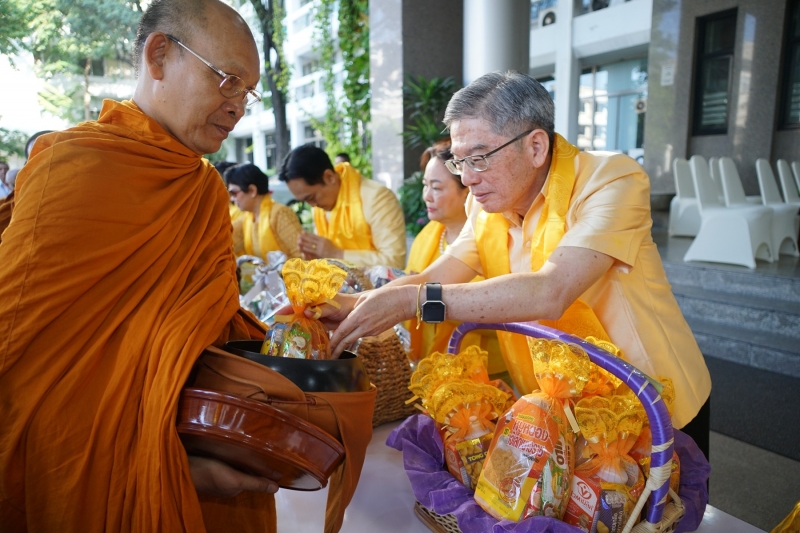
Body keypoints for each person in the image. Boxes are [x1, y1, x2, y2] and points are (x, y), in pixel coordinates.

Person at [0, 1, 295, 530]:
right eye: (228, 80)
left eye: (247, 93)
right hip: (75, 465)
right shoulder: (71, 169)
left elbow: (203, 333)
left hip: (194, 439)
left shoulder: (204, 190)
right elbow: (21, 364)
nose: (237, 108)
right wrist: (163, 460)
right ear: (159, 55)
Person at [321, 71, 712, 456]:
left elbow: (551, 290)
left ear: (536, 147)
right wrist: (349, 306)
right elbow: (434, 276)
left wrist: (416, 302)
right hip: (559, 409)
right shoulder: (486, 207)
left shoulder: (609, 180)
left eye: (479, 159)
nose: (467, 179)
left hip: (650, 400)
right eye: (459, 162)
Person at [405, 138, 505, 375]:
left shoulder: (494, 241)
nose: (427, 196)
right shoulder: (427, 236)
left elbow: (509, 315)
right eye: (425, 185)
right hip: (428, 368)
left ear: (467, 191)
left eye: (437, 188)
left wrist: (429, 301)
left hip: (486, 373)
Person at [279, 143, 407, 269]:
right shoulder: (320, 207)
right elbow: (327, 258)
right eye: (305, 201)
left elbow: (394, 262)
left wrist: (336, 254)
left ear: (329, 177)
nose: (312, 205)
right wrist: (316, 258)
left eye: (311, 198)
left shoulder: (377, 198)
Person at [225, 163, 302, 260]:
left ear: (252, 190)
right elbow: (224, 239)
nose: (232, 199)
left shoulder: (280, 214)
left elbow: (301, 255)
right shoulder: (248, 218)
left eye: (234, 193)